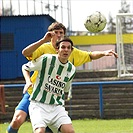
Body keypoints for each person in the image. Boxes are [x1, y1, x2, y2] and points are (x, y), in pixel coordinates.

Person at [6, 21, 118, 133]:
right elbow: (25, 54)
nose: (59, 35)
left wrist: (103, 53)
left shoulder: (70, 51)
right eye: (56, 32)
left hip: (53, 100)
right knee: (17, 120)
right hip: (34, 92)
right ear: (50, 34)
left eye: (61, 32)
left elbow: (89, 55)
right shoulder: (44, 49)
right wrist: (43, 40)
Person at [22, 37, 76, 133]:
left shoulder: (71, 69)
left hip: (57, 107)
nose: (66, 50)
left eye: (68, 48)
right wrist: (28, 81)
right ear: (57, 49)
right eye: (63, 47)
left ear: (71, 50)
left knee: (69, 131)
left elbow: (66, 89)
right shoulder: (47, 59)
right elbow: (25, 67)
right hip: (38, 105)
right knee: (40, 131)